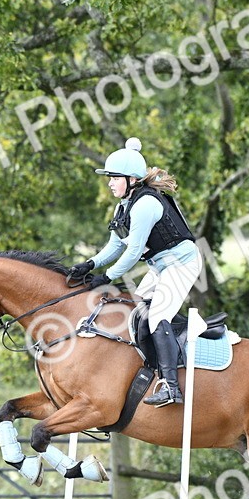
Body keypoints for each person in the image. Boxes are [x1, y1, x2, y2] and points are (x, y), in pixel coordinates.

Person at [67, 138, 203, 406]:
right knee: (134, 311)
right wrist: (91, 264)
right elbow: (116, 245)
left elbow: (133, 252)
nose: (109, 182)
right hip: (160, 267)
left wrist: (107, 278)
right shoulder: (125, 205)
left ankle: (171, 387)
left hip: (181, 264)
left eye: (114, 177)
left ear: (130, 178)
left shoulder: (144, 205)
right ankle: (155, 364)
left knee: (156, 317)